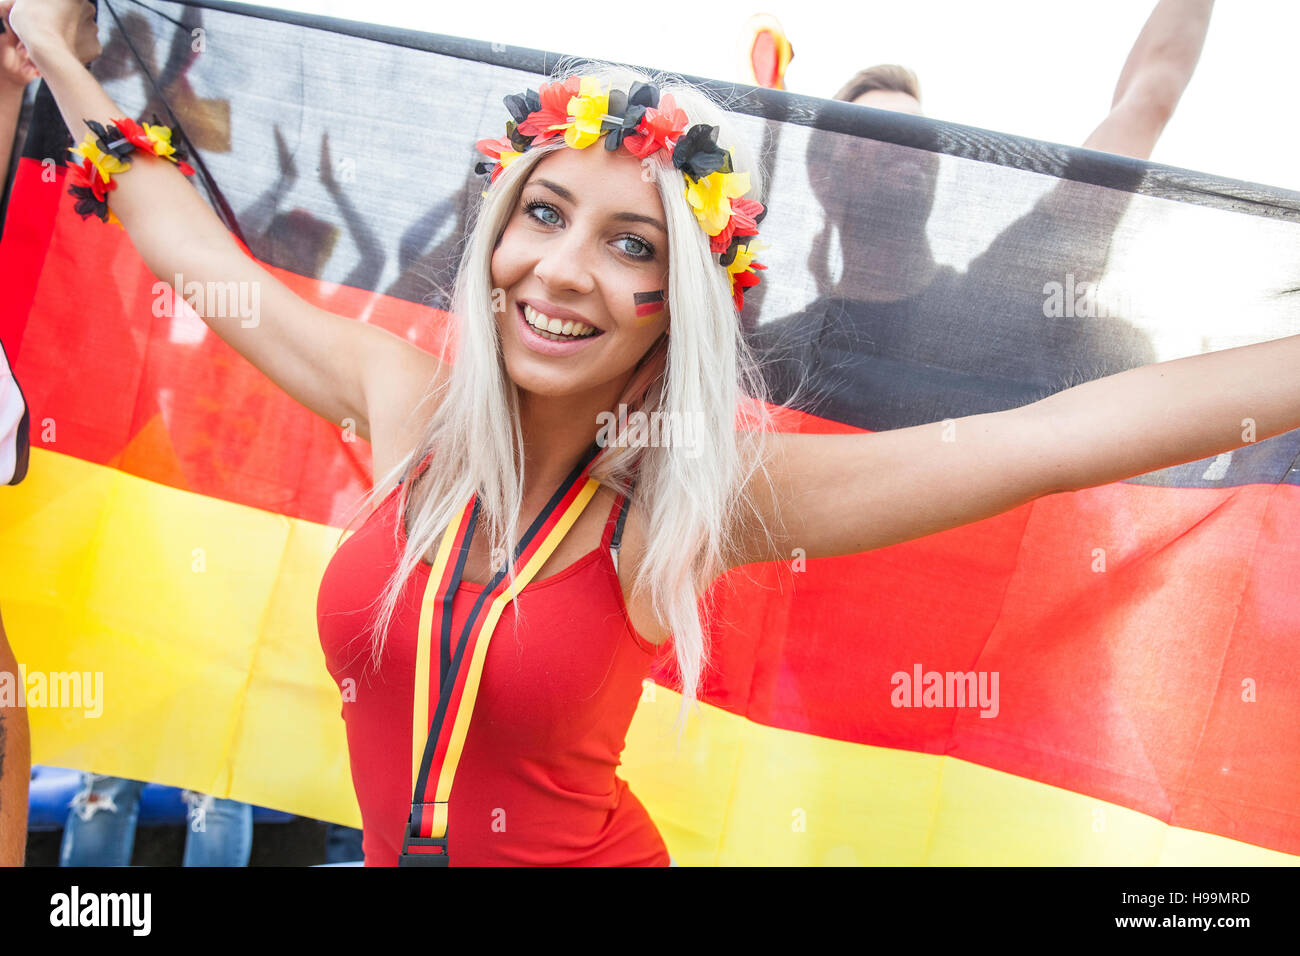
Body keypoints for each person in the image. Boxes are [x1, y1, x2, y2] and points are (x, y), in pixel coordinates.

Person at [9, 0, 1299, 867]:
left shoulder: (701, 492)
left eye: (631, 244)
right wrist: (58, 55)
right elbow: (180, 238)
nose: (565, 269)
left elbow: (1063, 437)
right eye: (545, 213)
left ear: (673, 301)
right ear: (496, 236)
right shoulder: (402, 406)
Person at [838, 0, 1216, 162]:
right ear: (825, 175)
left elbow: (1149, 100)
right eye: (876, 135)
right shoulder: (788, 319)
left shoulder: (1006, 273)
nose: (905, 148)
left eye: (919, 133)